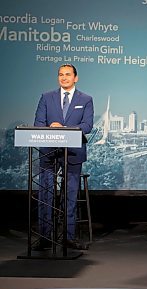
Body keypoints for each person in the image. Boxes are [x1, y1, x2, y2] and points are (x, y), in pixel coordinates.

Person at [34, 63, 94, 250]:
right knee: (46, 194)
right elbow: (38, 123)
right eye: (61, 74)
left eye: (68, 74)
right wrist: (51, 128)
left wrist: (65, 130)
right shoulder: (46, 97)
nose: (64, 77)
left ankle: (68, 238)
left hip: (73, 152)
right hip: (49, 152)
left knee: (70, 197)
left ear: (75, 78)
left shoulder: (86, 99)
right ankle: (44, 237)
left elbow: (87, 125)